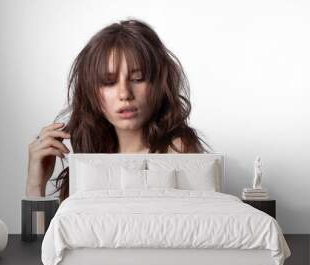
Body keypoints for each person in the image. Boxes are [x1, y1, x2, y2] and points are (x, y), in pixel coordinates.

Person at [26, 18, 212, 203]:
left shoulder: (178, 152)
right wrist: (35, 186)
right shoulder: (88, 159)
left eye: (138, 78)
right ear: (91, 92)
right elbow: (50, 234)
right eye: (109, 82)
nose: (125, 94)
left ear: (158, 84)